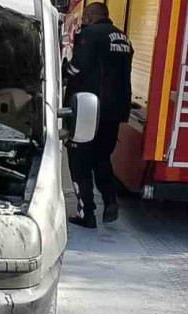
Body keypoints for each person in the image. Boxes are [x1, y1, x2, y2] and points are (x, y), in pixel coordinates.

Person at [63, 2, 133, 229]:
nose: (83, 18)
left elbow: (78, 67)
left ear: (92, 16)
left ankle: (87, 214)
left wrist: (63, 73)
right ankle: (110, 201)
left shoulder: (90, 34)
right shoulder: (123, 38)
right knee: (102, 157)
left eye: (86, 15)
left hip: (88, 108)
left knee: (79, 161)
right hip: (115, 110)